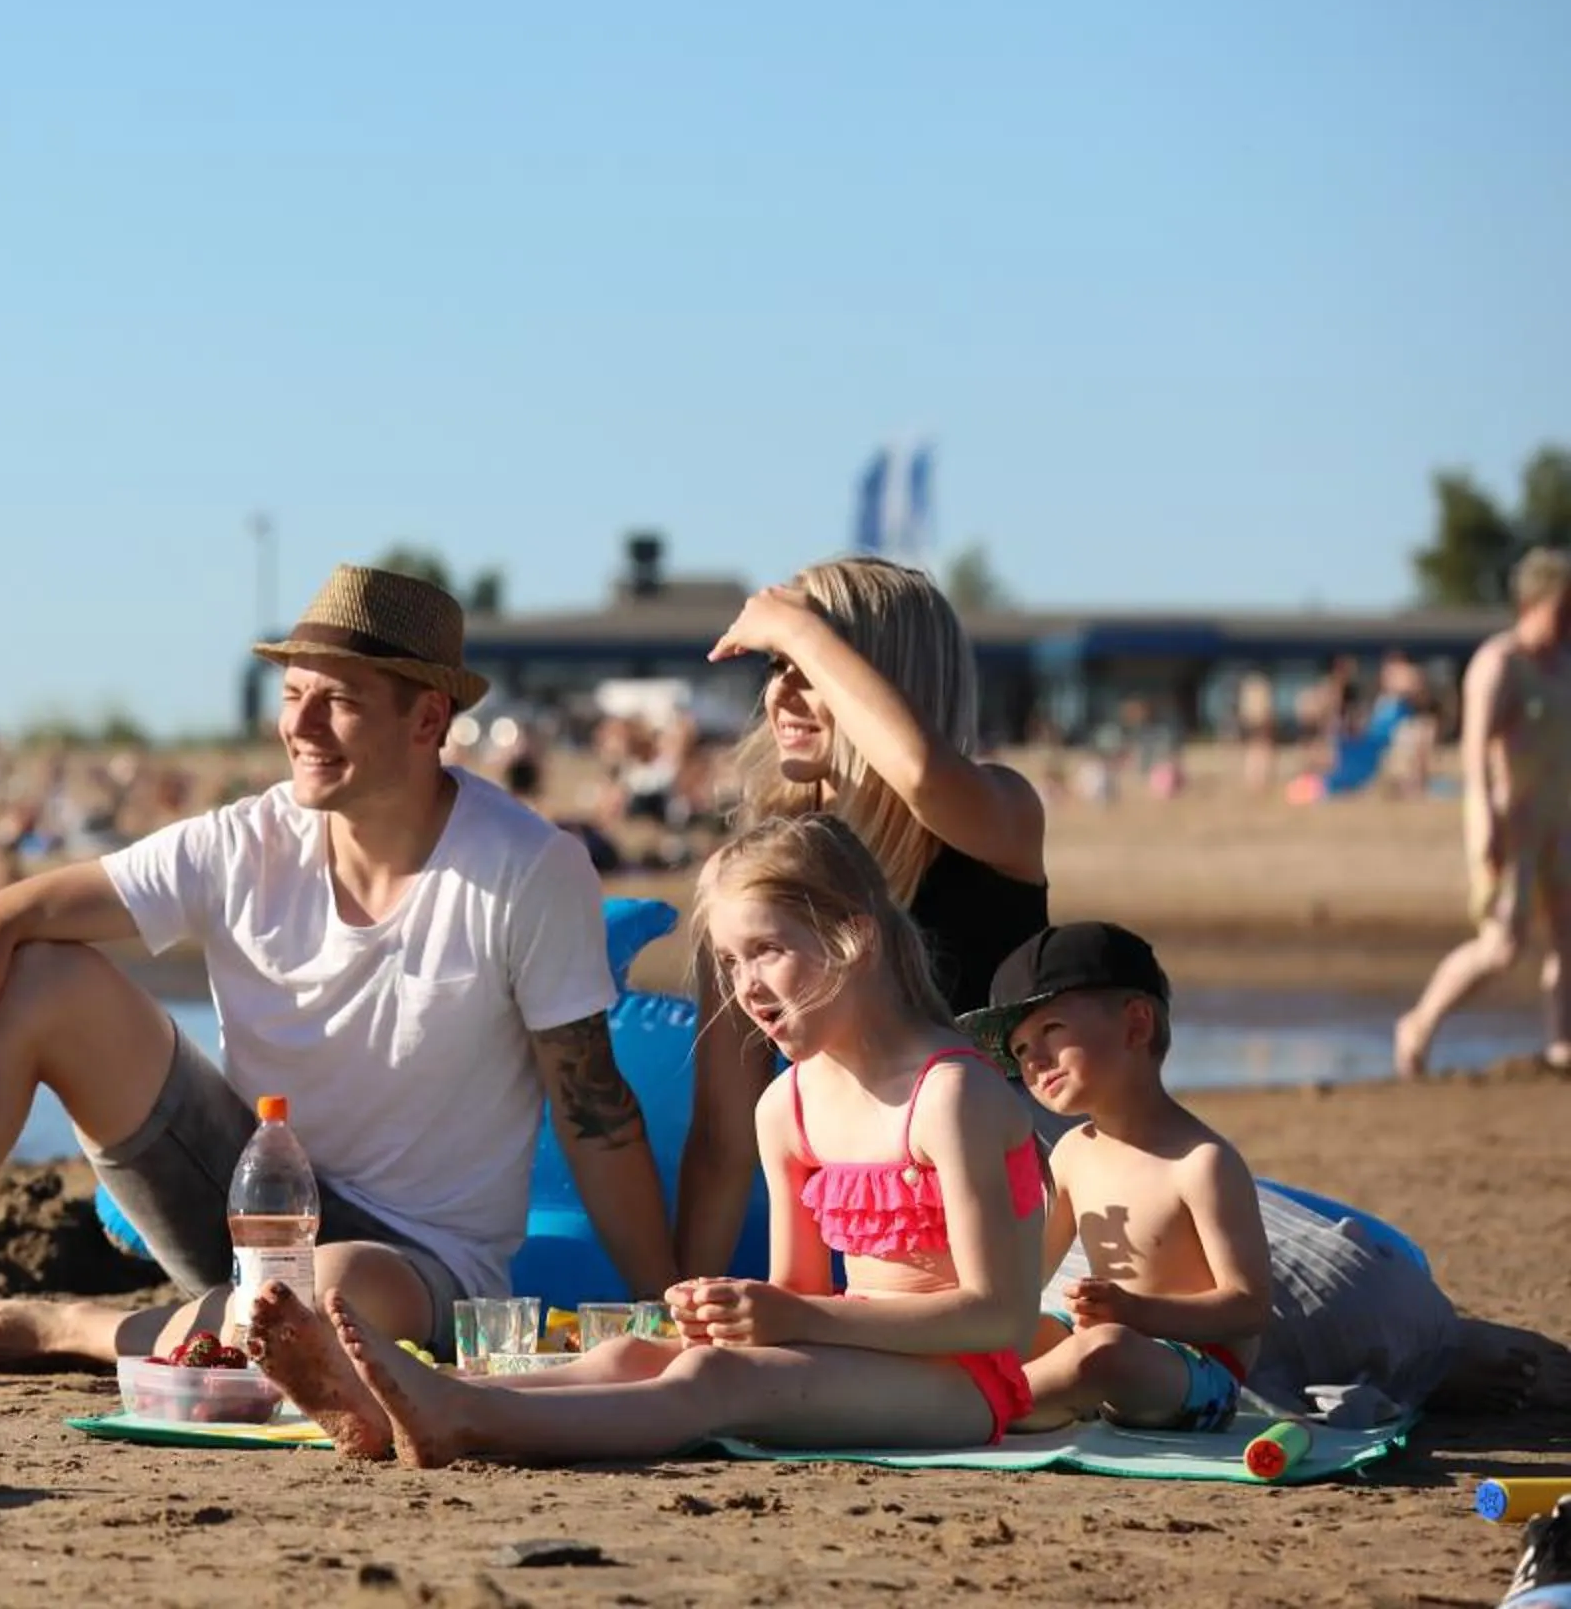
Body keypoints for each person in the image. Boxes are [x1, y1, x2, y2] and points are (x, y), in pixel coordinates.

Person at [0, 565, 677, 1388]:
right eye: (293, 696)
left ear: (426, 719)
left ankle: (68, 1325)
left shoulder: (524, 868)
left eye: (340, 702)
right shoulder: (246, 841)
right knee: (43, 973)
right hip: (248, 1195)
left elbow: (594, 1113)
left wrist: (668, 1307)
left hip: (414, 1262)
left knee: (328, 1295)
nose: (302, 727)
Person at [246, 812, 1047, 1466]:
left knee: (712, 1377)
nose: (747, 987)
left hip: (963, 1384)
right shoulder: (787, 1106)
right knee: (632, 1356)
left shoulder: (953, 1096)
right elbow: (796, 1299)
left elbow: (1000, 1320)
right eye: (731, 962)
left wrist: (791, 1324)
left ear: (854, 938)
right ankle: (399, 1408)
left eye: (767, 950)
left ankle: (465, 1416)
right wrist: (742, 1314)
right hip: (861, 1365)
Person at [676, 556, 1049, 1277]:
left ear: (888, 679)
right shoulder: (752, 877)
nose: (782, 694)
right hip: (873, 1236)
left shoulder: (995, 815)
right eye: (776, 667)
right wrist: (678, 1298)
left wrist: (793, 624)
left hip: (1016, 1218)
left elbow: (918, 774)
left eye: (810, 666)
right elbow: (723, 1136)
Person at [961, 923, 1271, 1433]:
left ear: (1136, 1026)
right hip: (1099, 1343)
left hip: (1191, 1372)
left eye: (1052, 1030)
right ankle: (1000, 1395)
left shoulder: (1200, 1162)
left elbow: (1248, 1308)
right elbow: (1026, 1276)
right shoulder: (1070, 1154)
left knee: (1106, 1351)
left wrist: (1135, 1312)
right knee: (1012, 1332)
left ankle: (979, 1408)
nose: (1034, 1061)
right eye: (1018, 1051)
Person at [1396, 548, 1571, 1078]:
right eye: (1563, 606)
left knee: (1567, 937)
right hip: (1509, 822)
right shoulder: (1499, 664)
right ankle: (1419, 1023)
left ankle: (1562, 1045)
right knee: (1502, 946)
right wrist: (1484, 829)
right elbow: (1474, 756)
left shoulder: (1563, 664)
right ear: (1535, 601)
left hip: (1560, 823)